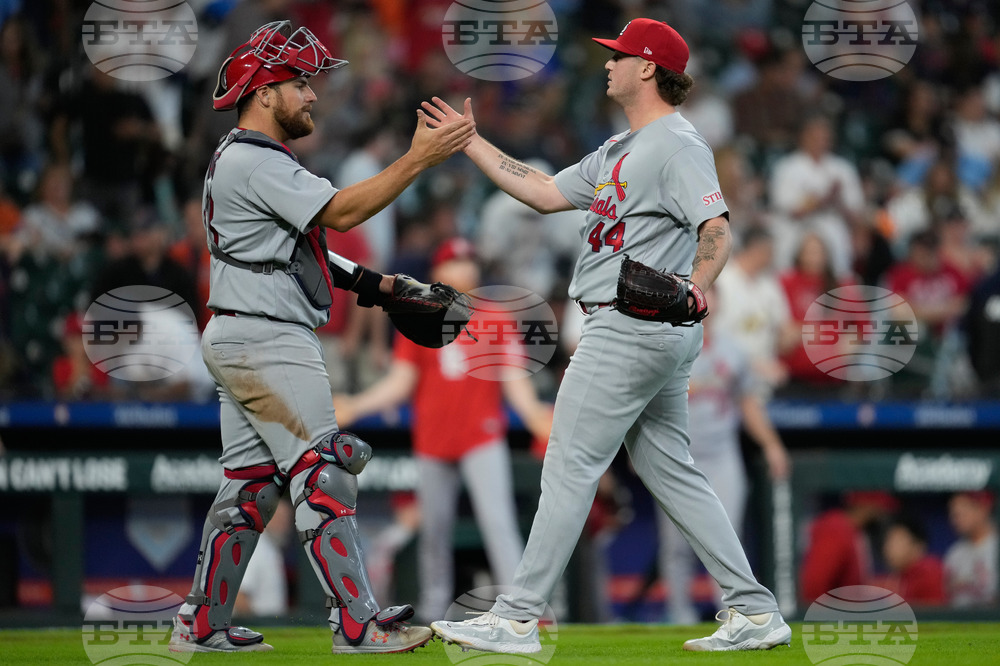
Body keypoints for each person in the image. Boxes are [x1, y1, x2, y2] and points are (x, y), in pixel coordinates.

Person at [422, 18, 792, 653]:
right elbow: (540, 191)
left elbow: (717, 229)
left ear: (648, 68)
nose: (608, 63)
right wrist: (472, 143)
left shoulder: (679, 143)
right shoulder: (622, 146)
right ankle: (754, 609)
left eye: (619, 55)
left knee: (568, 463)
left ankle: (515, 617)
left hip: (630, 325)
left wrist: (699, 282)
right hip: (643, 329)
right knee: (671, 470)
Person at [168, 20, 474, 655]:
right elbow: (340, 214)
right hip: (269, 339)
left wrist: (379, 286)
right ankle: (357, 624)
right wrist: (420, 156)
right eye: (300, 82)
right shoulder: (254, 157)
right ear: (264, 91)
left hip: (239, 332)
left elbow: (301, 252)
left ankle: (200, 624)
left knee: (251, 488)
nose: (311, 94)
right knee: (325, 472)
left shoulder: (245, 160)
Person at [334, 237, 552, 622]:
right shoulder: (419, 313)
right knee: (434, 532)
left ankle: (521, 612)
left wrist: (534, 412)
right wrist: (357, 404)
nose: (465, 268)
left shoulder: (496, 317)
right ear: (438, 273)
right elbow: (401, 382)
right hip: (433, 440)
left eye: (469, 260)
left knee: (497, 524)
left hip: (481, 437)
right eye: (455, 261)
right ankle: (435, 613)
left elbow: (514, 378)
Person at [656, 293, 790, 624]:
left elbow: (748, 403)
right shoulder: (667, 344)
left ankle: (732, 615)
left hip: (721, 455)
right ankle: (678, 617)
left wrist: (771, 444)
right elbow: (648, 401)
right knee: (677, 545)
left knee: (727, 537)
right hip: (677, 455)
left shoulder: (732, 351)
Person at [799, 491, 899, 605]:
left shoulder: (854, 530)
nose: (882, 513)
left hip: (845, 617)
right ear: (867, 505)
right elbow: (814, 586)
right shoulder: (836, 529)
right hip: (831, 619)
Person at [944, 491, 998, 607]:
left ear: (983, 509)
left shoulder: (995, 547)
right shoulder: (954, 553)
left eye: (961, 513)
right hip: (958, 620)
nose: (955, 520)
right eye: (953, 514)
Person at [882, 515, 946, 606]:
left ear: (917, 545)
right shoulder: (899, 576)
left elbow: (934, 615)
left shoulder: (929, 571)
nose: (888, 548)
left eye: (896, 540)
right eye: (888, 541)